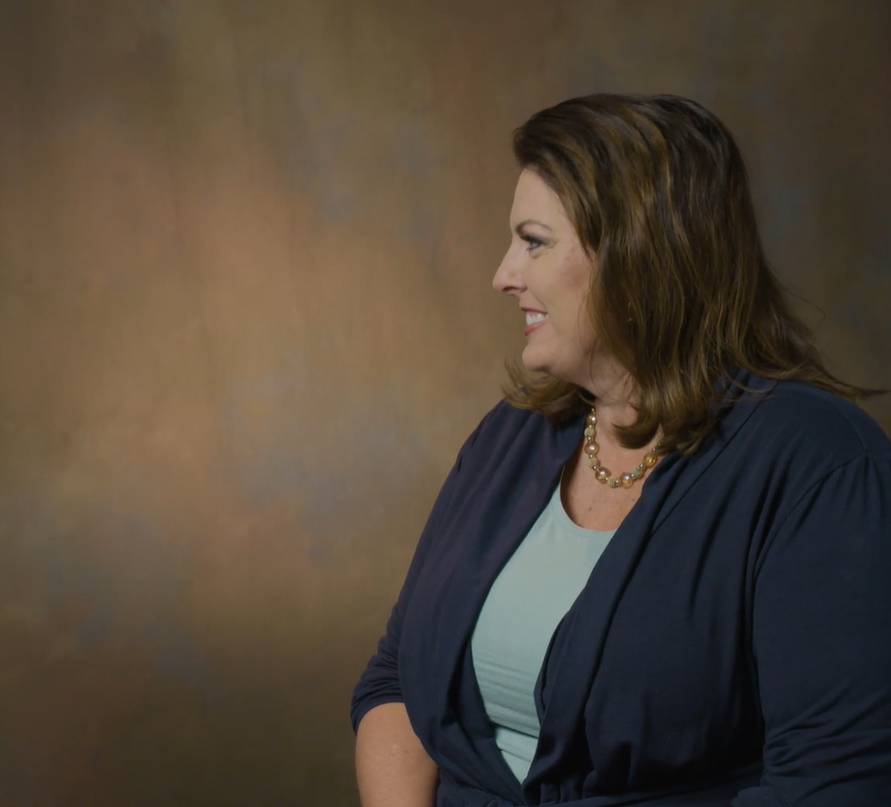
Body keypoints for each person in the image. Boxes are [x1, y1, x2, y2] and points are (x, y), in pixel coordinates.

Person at [351, 94, 891, 806]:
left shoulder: (817, 464)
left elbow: (833, 783)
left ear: (639, 255)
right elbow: (397, 683)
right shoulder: (509, 438)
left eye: (534, 240)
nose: (503, 273)